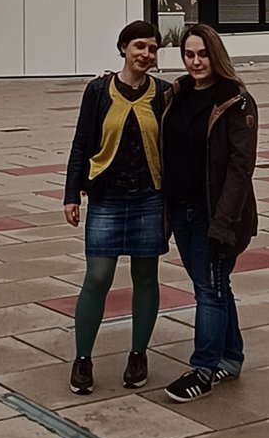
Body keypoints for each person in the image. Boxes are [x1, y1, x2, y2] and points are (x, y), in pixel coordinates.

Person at [63, 20, 168, 394]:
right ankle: (82, 359)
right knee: (98, 277)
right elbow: (81, 142)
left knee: (145, 278)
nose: (145, 54)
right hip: (106, 197)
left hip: (149, 197)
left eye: (152, 48)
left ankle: (138, 354)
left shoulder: (165, 93)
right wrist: (71, 194)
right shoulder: (97, 91)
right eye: (139, 46)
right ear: (123, 48)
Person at [160, 22, 258, 402]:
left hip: (216, 214)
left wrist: (223, 223)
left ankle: (203, 368)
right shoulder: (178, 93)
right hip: (182, 208)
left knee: (209, 291)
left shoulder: (236, 99)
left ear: (215, 54)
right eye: (189, 54)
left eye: (202, 54)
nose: (196, 61)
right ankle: (230, 359)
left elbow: (240, 167)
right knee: (215, 286)